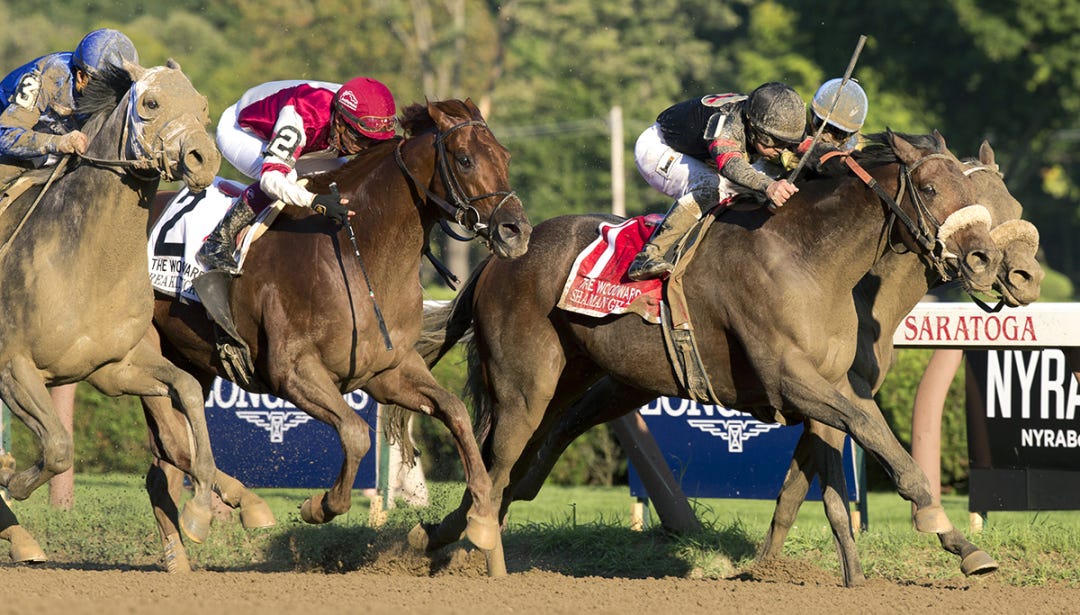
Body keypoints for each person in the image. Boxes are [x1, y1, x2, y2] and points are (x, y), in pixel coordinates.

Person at [196, 76, 399, 277]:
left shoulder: (364, 114)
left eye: (372, 141)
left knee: (343, 179)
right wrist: (314, 201)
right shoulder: (301, 116)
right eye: (359, 138)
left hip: (312, 139)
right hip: (243, 130)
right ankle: (217, 241)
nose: (364, 147)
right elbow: (271, 180)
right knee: (287, 177)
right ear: (339, 121)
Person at [628, 82, 807, 281]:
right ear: (751, 125)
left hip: (703, 156)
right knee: (709, 188)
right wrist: (769, 186)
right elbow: (730, 165)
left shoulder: (761, 119)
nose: (781, 149)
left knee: (766, 178)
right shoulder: (727, 123)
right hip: (659, 147)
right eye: (773, 142)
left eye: (787, 143)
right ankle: (648, 256)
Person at [0, 28, 139, 177]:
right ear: (81, 77)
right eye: (107, 88)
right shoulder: (49, 75)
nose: (114, 96)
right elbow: (5, 135)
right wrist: (57, 142)